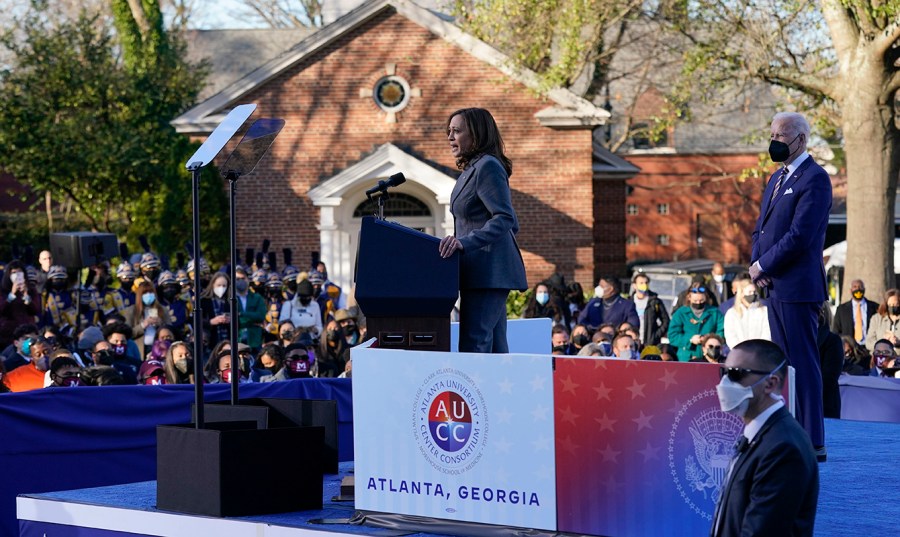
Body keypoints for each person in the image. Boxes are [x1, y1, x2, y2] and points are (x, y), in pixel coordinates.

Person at [749, 111, 831, 459]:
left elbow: (800, 236)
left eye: (781, 135)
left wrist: (766, 264)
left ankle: (812, 439)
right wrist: (756, 264)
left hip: (798, 286)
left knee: (803, 362)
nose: (775, 141)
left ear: (801, 139)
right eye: (772, 133)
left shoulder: (816, 179)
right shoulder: (775, 178)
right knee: (784, 364)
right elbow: (762, 228)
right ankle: (790, 431)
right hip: (774, 285)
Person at [438, 107, 527, 353]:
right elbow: (512, 223)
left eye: (457, 131)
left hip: (488, 273)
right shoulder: (472, 169)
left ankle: (477, 394)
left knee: (474, 345)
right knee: (495, 348)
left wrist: (464, 243)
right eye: (449, 131)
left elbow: (505, 218)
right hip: (479, 271)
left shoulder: (488, 166)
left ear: (476, 134)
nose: (450, 137)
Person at [711, 339, 818, 537]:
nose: (725, 383)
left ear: (770, 383)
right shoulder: (758, 433)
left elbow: (761, 530)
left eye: (736, 374)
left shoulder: (784, 448)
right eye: (724, 373)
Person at [667, 283, 725, 361]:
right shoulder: (680, 313)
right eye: (695, 301)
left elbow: (722, 332)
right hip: (686, 356)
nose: (698, 303)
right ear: (689, 298)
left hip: (710, 356)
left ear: (706, 297)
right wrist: (690, 339)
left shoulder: (715, 313)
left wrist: (709, 339)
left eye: (701, 300)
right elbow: (673, 336)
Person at [0, 260, 41, 349]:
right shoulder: (3, 291)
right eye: (14, 272)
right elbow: (2, 310)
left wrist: (26, 296)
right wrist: (12, 295)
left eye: (19, 272)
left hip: (28, 332)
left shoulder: (31, 290)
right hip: (9, 334)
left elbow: (35, 309)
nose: (17, 275)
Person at [723, 281, 771, 348]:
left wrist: (760, 348)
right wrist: (741, 350)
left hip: (760, 352)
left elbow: (767, 333)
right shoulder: (732, 313)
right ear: (742, 293)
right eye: (750, 292)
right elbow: (730, 336)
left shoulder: (764, 311)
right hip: (740, 353)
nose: (753, 294)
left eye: (754, 292)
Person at [832, 279, 879, 345]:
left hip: (869, 347)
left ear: (864, 289)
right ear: (850, 290)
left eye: (860, 287)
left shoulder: (875, 307)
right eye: (855, 287)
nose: (858, 289)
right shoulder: (841, 309)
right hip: (850, 348)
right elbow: (836, 331)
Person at [629, 273, 669, 346]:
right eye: (641, 283)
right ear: (634, 285)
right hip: (633, 342)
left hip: (649, 343)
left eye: (646, 283)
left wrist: (655, 336)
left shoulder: (655, 301)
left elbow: (666, 320)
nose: (644, 285)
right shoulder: (629, 301)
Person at [865, 288, 900, 353]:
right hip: (881, 357)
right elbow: (868, 343)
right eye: (890, 305)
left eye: (896, 304)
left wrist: (898, 342)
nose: (893, 307)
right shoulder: (876, 319)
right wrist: (882, 343)